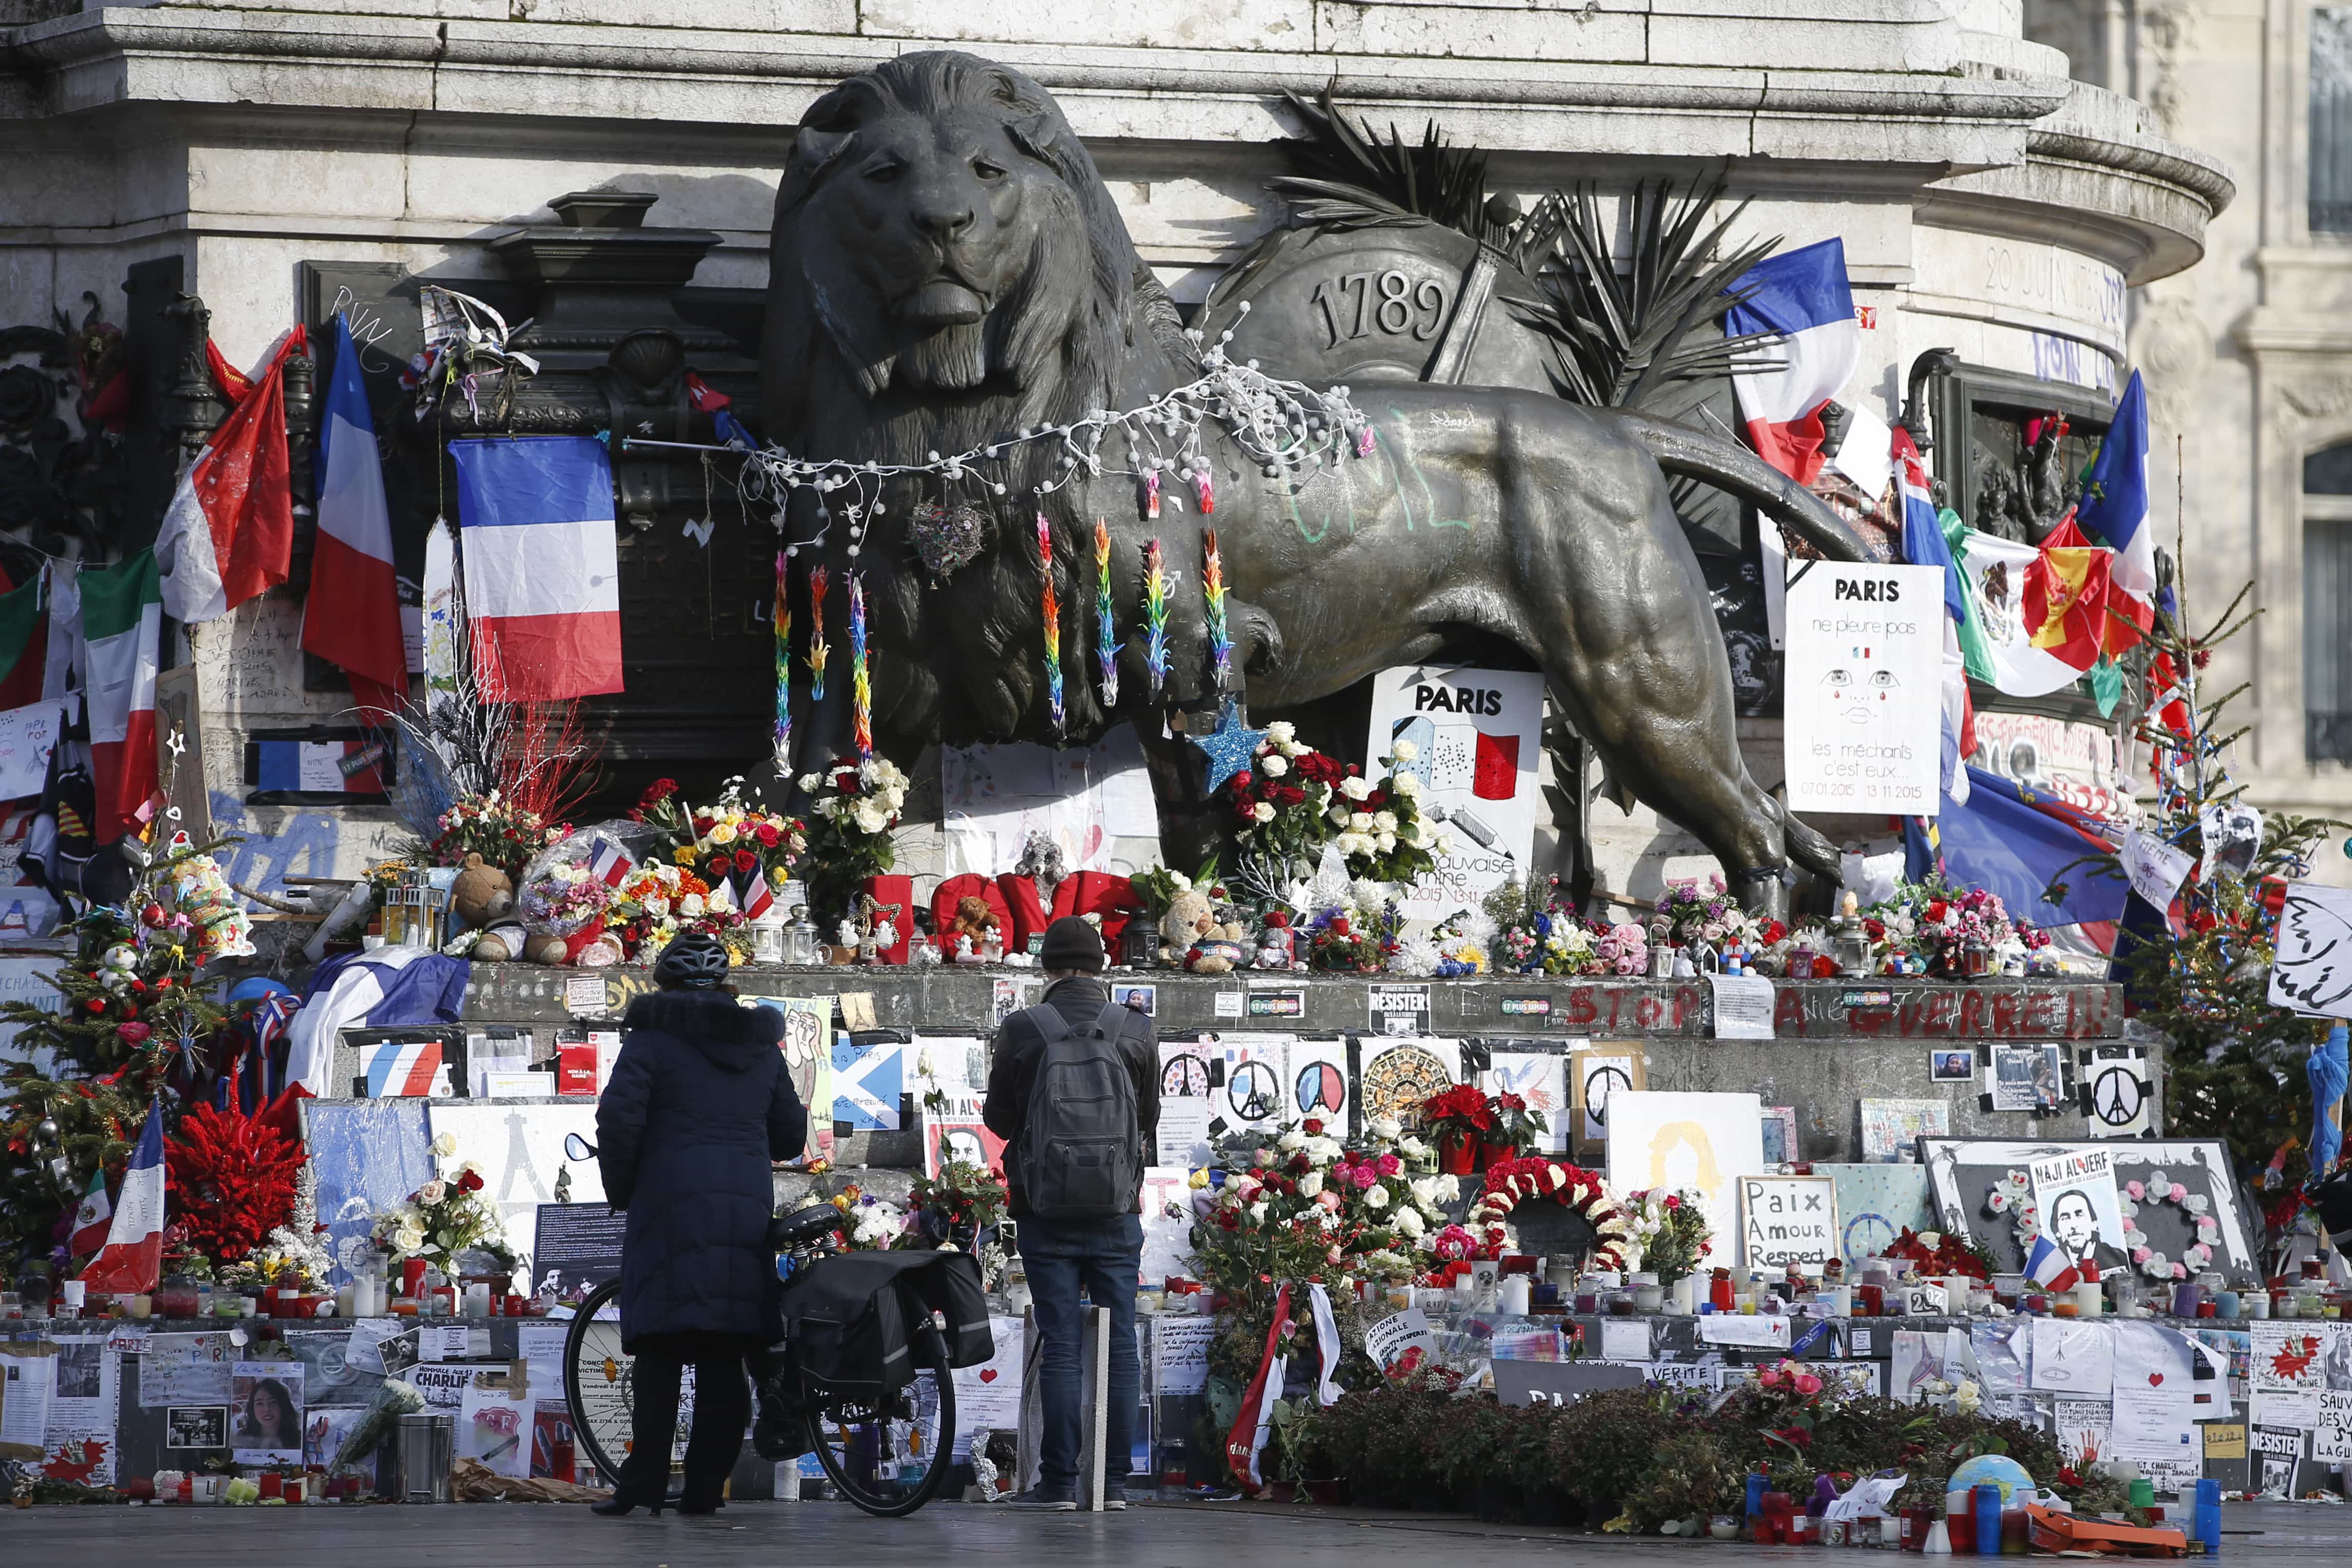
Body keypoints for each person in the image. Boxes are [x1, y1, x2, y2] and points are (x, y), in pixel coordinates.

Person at [591, 931, 806, 1517]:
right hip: (741, 1210)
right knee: (722, 1351)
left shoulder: (650, 1042)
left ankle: (641, 1488)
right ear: (722, 985)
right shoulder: (762, 1046)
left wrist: (622, 1187)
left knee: (660, 1353)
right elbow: (790, 1135)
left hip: (667, 1205)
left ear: (663, 983)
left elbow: (618, 1119)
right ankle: (705, 1490)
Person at [983, 915, 1159, 1512]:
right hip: (1115, 1211)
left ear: (1046, 967)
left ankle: (1058, 1484)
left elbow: (1000, 1121)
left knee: (1060, 1341)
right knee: (1120, 1345)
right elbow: (1148, 1120)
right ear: (1102, 966)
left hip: (1043, 1210)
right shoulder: (1134, 1028)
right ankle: (1110, 1485)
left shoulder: (1023, 1028)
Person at [235, 1376, 300, 1450]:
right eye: (260, 1404)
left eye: (273, 1402)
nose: (267, 1409)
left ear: (283, 1405)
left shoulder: (299, 1440)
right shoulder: (242, 1437)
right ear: (252, 1408)